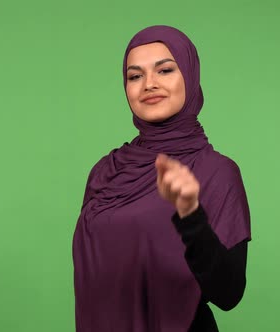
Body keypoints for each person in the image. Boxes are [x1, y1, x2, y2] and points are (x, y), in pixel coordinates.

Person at [72, 25, 252, 332]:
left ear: (190, 77)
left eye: (165, 70)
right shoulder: (106, 171)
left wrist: (191, 214)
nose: (148, 84)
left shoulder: (216, 171)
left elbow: (228, 293)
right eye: (135, 75)